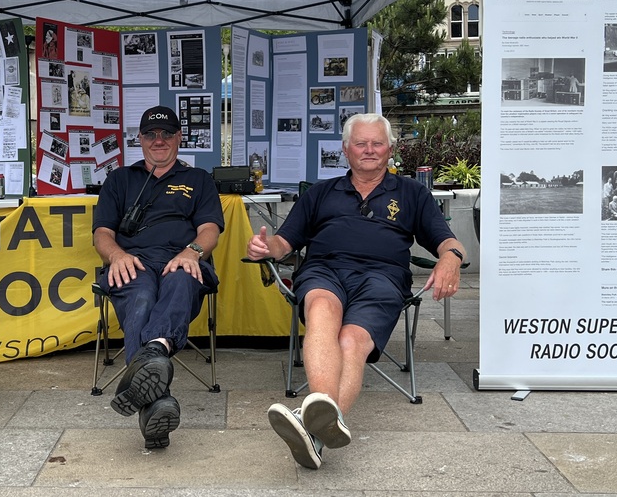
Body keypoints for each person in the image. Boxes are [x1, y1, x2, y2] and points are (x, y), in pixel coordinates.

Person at [247, 113, 462, 469]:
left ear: (390, 149)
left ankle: (311, 429)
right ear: (346, 150)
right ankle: (323, 425)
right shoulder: (321, 193)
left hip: (382, 278)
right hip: (324, 271)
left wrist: (451, 259)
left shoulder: (412, 193)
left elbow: (448, 241)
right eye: (360, 143)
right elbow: (285, 242)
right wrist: (266, 249)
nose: (369, 150)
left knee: (351, 342)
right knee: (320, 314)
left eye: (377, 143)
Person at [91, 105, 224, 450]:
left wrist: (192, 251)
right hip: (132, 261)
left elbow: (210, 228)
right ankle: (155, 397)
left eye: (167, 133)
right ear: (140, 139)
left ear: (180, 137)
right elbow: (102, 233)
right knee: (141, 296)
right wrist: (117, 255)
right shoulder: (120, 179)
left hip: (182, 257)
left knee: (181, 277)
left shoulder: (199, 179)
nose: (159, 140)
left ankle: (153, 358)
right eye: (151, 134)